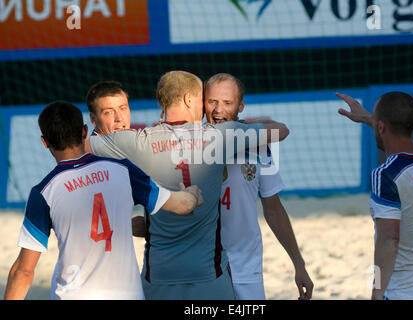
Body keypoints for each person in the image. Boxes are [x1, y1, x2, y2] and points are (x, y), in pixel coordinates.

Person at [85, 70, 290, 300]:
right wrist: (240, 126)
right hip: (208, 275)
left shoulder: (137, 141)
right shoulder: (220, 136)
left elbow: (79, 146)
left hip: (160, 275)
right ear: (189, 100)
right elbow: (281, 130)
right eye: (203, 99)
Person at [4, 101, 203, 300]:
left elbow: (24, 270)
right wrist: (193, 195)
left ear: (45, 142)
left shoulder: (43, 192)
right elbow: (182, 205)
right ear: (84, 132)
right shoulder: (123, 170)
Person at [203, 73, 314, 300]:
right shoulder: (191, 141)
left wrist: (298, 264)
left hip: (246, 266)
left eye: (227, 103)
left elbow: (273, 208)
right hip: (202, 267)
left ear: (241, 106)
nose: (218, 110)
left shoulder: (258, 145)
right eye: (212, 101)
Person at [337, 91, 413, 300]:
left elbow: (389, 241)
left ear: (381, 127)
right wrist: (372, 120)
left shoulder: (386, 175)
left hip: (404, 292)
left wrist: (376, 292)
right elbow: (408, 151)